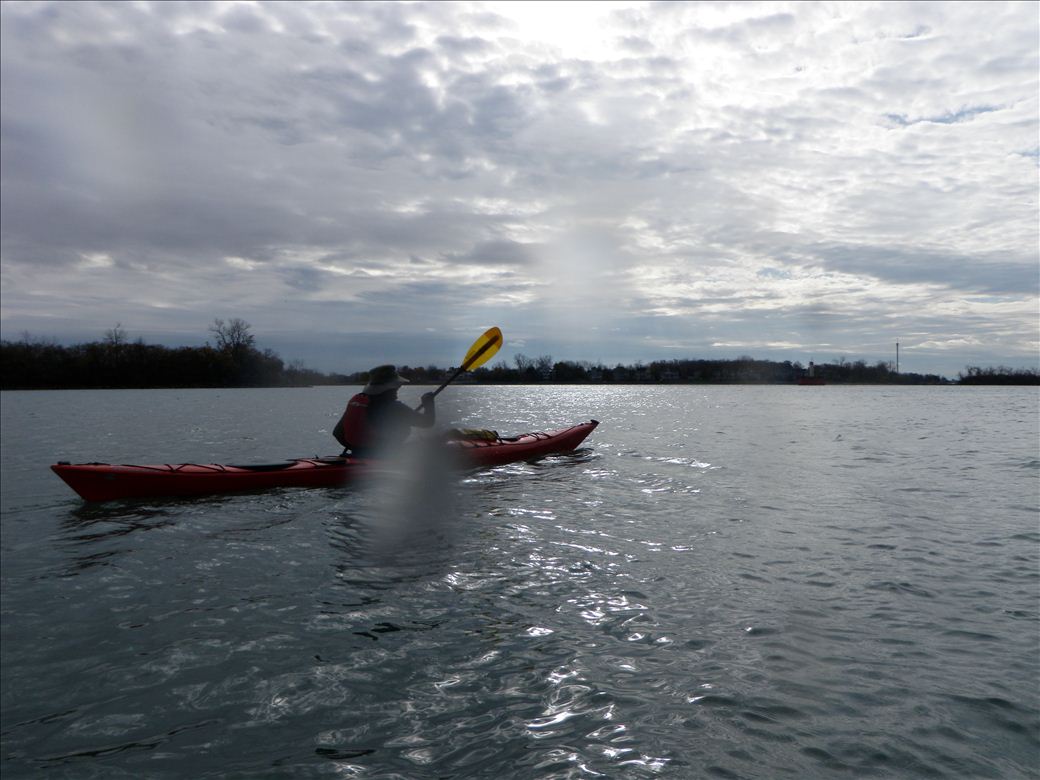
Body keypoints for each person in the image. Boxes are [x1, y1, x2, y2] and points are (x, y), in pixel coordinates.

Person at [333, 365, 435, 456]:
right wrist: (429, 404)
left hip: (358, 455)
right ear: (391, 388)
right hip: (386, 458)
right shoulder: (396, 408)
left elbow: (337, 433)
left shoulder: (358, 403)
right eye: (397, 387)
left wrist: (360, 449)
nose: (398, 389)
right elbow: (427, 422)